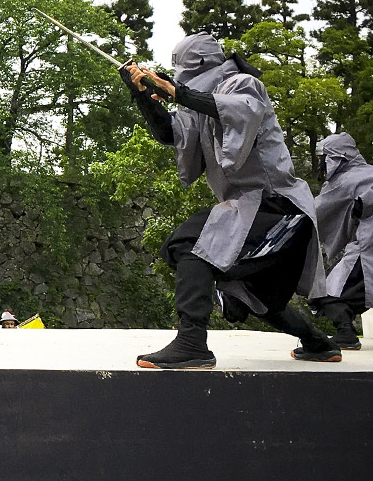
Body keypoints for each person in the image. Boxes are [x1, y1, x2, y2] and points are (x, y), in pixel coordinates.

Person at [122, 32, 339, 369]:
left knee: (189, 243)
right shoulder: (197, 103)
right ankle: (318, 343)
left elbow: (237, 111)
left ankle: (192, 343)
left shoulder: (243, 85)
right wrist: (141, 96)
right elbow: (171, 134)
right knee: (251, 293)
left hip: (278, 207)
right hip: (254, 210)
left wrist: (178, 92)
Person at [309, 132, 372, 350]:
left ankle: (346, 334)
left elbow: (314, 213)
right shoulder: (368, 173)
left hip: (367, 249)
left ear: (336, 158)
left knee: (325, 293)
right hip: (365, 246)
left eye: (323, 159)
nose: (322, 166)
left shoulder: (344, 181)